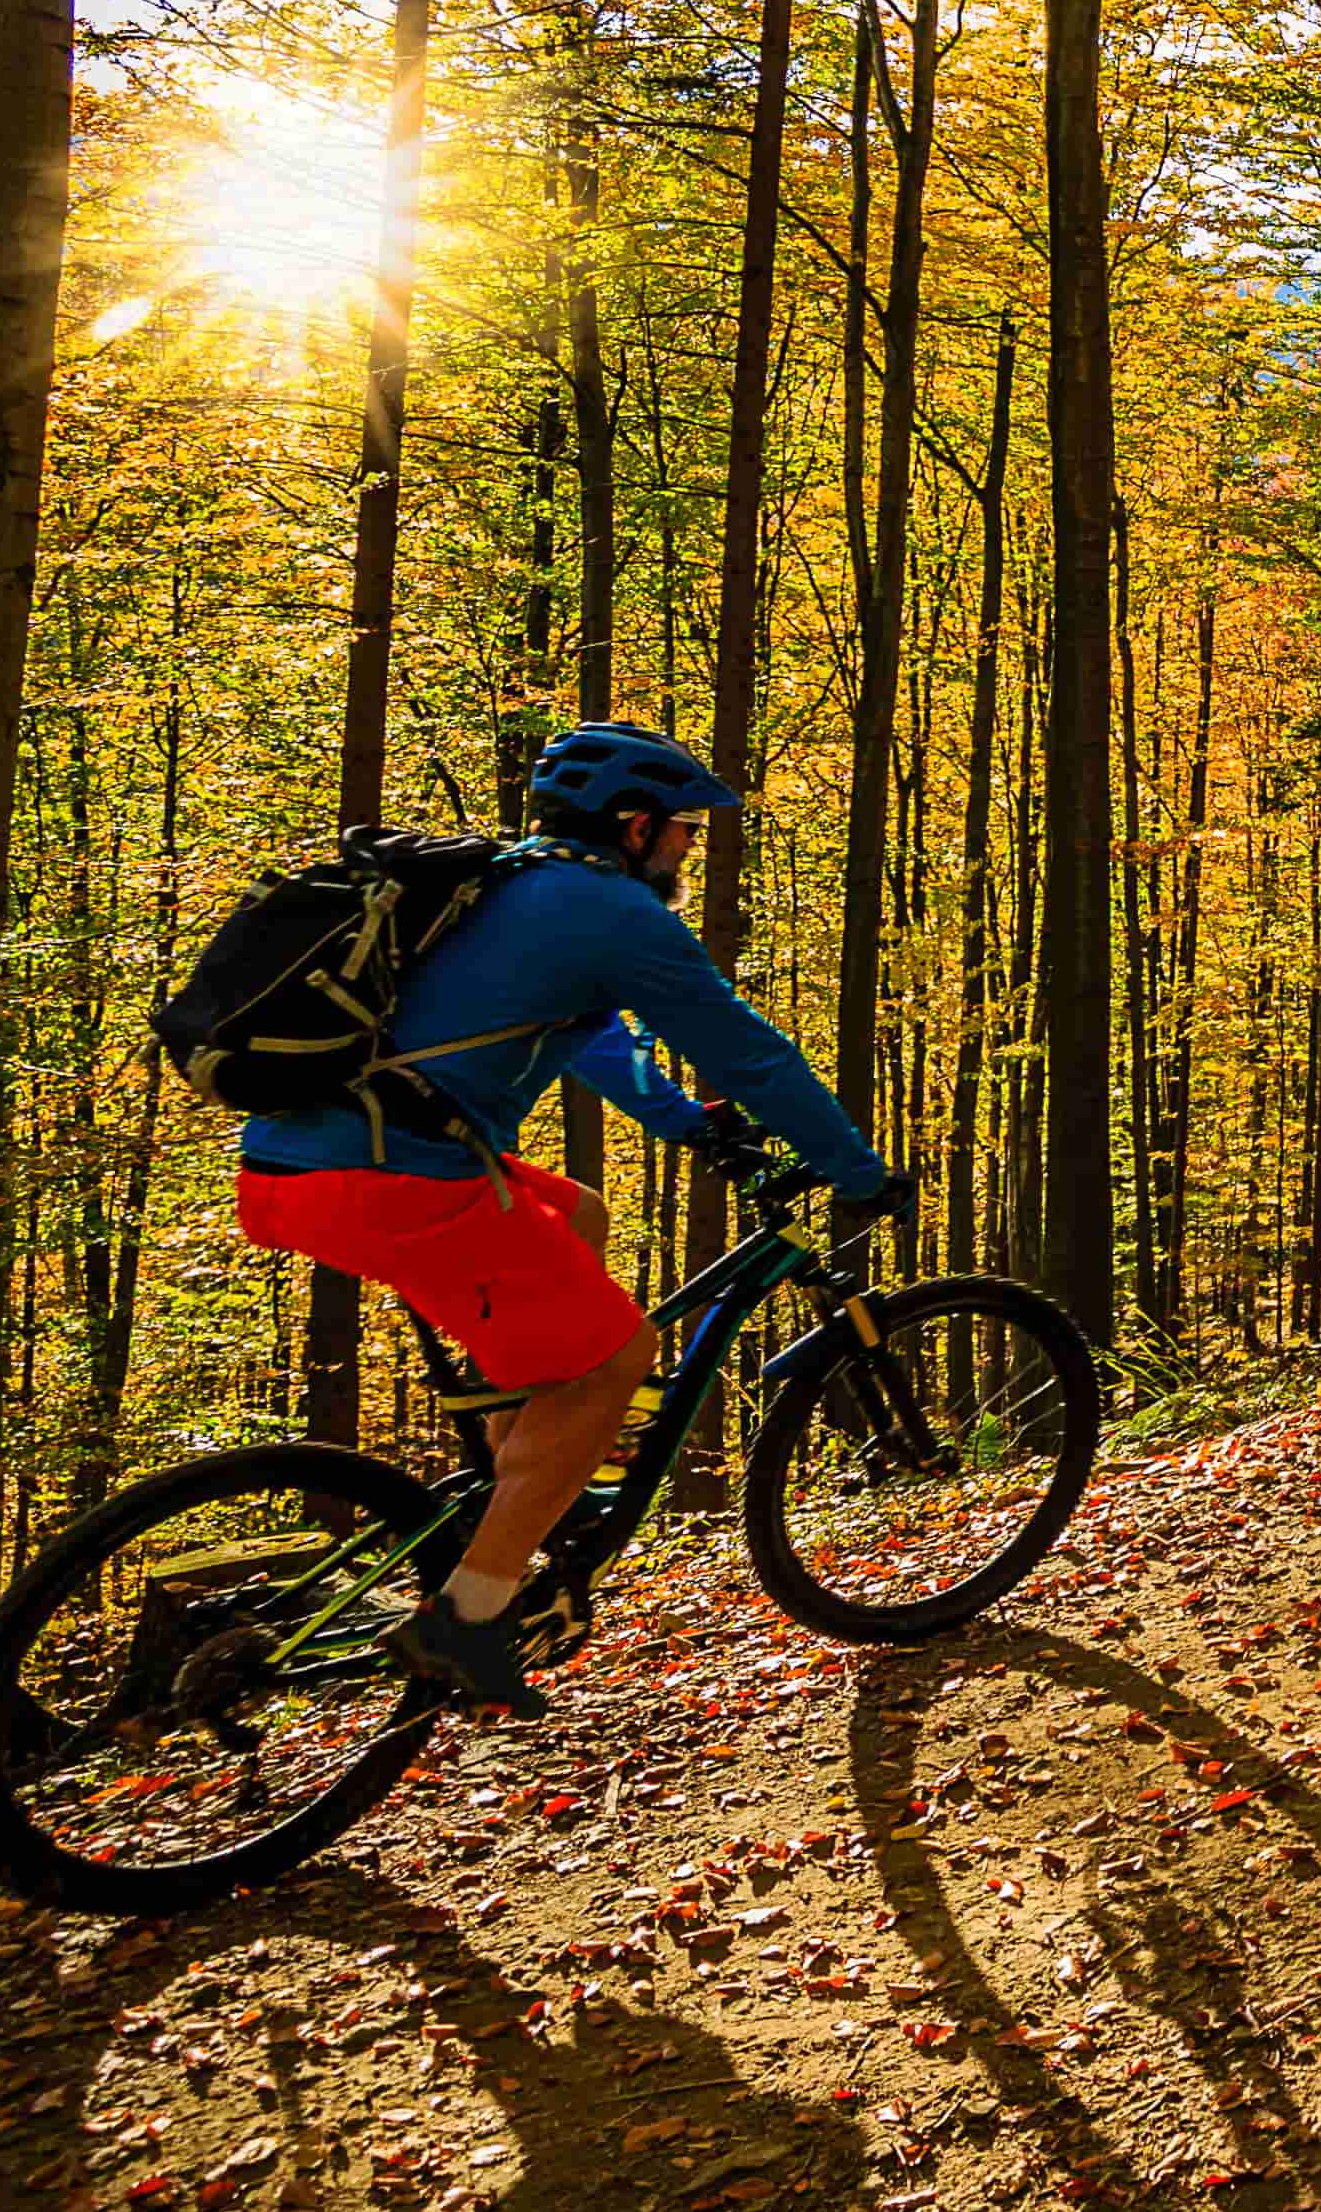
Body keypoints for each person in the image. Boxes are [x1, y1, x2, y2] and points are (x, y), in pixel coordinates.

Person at [238, 724, 906, 1715]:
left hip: (297, 1163)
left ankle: (525, 1480)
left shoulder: (507, 883)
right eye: (680, 829)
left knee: (576, 1213)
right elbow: (750, 1056)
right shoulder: (608, 912)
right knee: (615, 1360)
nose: (687, 847)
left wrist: (687, 1127)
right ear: (631, 826)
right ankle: (468, 1617)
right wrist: (854, 1168)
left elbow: (594, 1046)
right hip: (395, 1178)